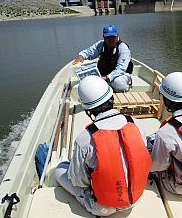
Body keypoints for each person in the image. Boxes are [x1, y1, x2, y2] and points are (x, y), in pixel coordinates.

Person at [53, 76, 151, 216]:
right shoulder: (135, 123)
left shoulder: (84, 139)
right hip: (136, 198)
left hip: (103, 207)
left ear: (88, 110)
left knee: (59, 169)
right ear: (112, 97)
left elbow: (79, 181)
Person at [72, 24, 133, 92]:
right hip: (104, 75)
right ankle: (106, 87)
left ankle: (123, 88)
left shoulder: (123, 47)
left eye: (113, 37)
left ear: (117, 35)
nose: (111, 40)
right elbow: (89, 52)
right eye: (108, 37)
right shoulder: (101, 44)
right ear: (104, 37)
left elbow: (121, 69)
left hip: (120, 75)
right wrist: (82, 55)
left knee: (118, 84)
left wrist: (107, 78)